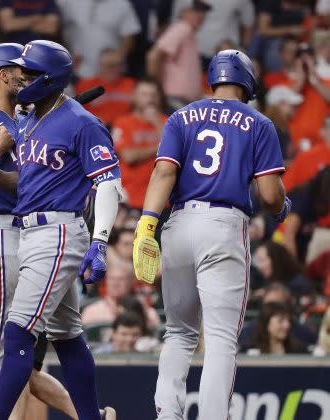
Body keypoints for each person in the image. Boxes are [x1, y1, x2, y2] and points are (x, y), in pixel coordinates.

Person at [133, 49, 290, 418]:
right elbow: (269, 194)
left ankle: (167, 414)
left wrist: (147, 224)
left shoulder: (181, 116)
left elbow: (163, 174)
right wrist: (282, 207)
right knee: (219, 340)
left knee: (179, 333)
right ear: (248, 81)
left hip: (179, 224)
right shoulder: (259, 122)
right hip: (223, 226)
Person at [0, 42, 95, 420]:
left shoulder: (33, 117)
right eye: (19, 69)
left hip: (38, 235)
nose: (26, 75)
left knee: (45, 338)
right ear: (1, 74)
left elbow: (28, 180)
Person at [0, 40, 122, 420]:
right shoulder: (28, 118)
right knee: (67, 335)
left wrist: (100, 242)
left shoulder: (82, 122)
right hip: (31, 232)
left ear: (49, 78)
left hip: (58, 233)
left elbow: (109, 182)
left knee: (17, 334)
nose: (22, 78)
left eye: (30, 73)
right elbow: (27, 181)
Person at [111, 77, 167, 210]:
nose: (150, 99)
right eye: (144, 94)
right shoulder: (122, 122)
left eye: (153, 95)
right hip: (130, 200)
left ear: (160, 98)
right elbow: (129, 156)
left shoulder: (168, 122)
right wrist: (159, 148)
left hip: (161, 200)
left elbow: (175, 152)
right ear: (134, 97)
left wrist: (157, 123)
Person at [146, 0, 211, 108]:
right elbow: (153, 56)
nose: (201, 15)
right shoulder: (181, 28)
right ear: (183, 12)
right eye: (196, 10)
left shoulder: (189, 32)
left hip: (186, 101)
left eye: (203, 11)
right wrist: (154, 89)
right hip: (174, 99)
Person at [59, 0, 141, 79]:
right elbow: (59, 29)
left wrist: (119, 59)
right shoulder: (70, 2)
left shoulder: (122, 4)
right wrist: (67, 56)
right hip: (80, 70)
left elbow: (129, 35)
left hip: (111, 71)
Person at [74, 49, 136, 127]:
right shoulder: (85, 85)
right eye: (110, 65)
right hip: (96, 127)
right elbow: (78, 112)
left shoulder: (131, 84)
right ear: (100, 65)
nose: (115, 69)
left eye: (119, 65)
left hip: (126, 128)